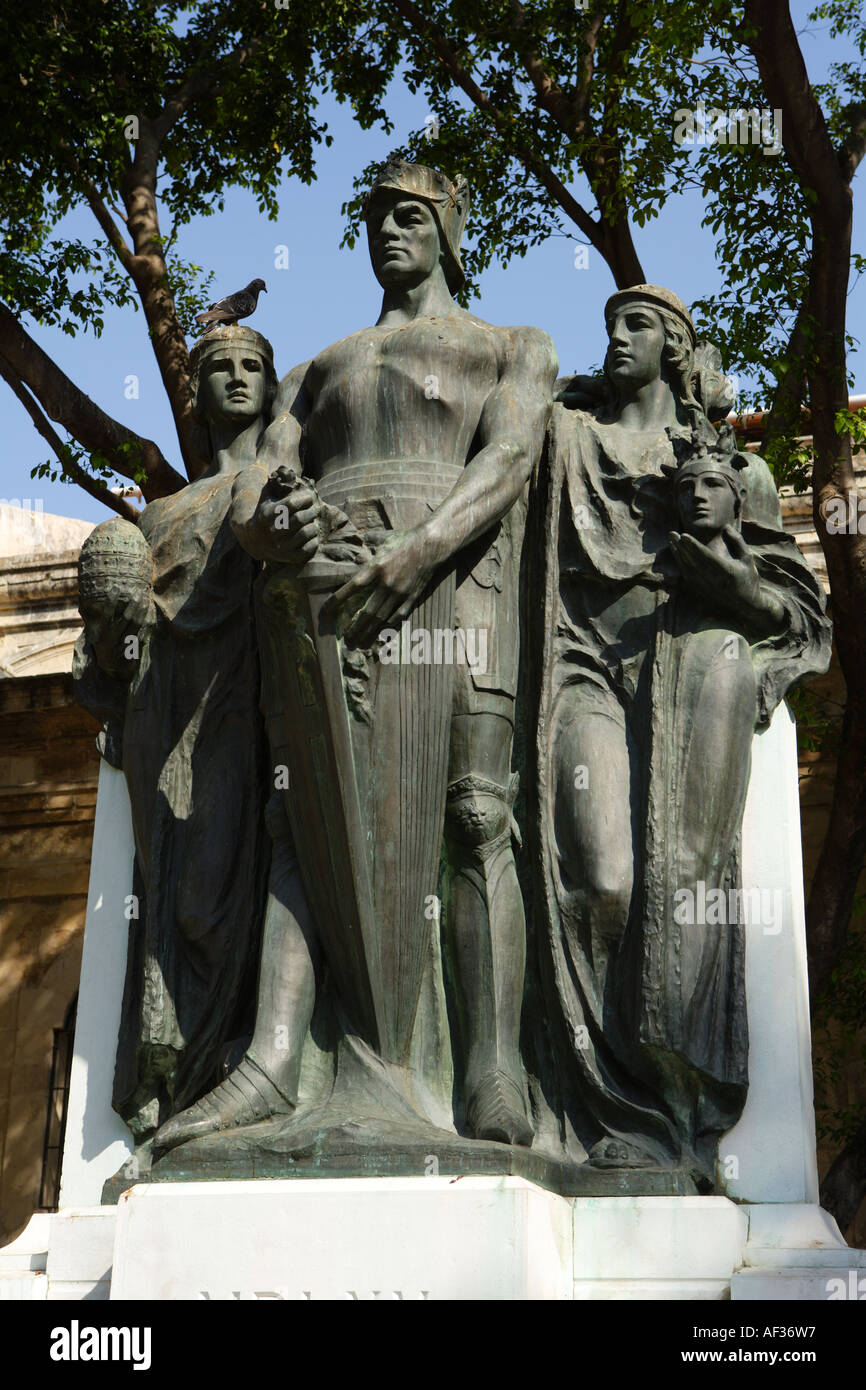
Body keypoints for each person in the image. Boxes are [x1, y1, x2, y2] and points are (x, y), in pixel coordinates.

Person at [156, 159, 558, 1154]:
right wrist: (275, 528)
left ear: (449, 231)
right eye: (376, 215)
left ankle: (492, 1074)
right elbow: (258, 489)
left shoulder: (510, 346)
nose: (390, 230)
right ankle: (270, 1059)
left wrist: (416, 554)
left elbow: (507, 460)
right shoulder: (316, 369)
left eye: (410, 215)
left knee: (474, 814)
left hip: (459, 583)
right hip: (330, 596)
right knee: (303, 817)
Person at [531, 285, 831, 1184]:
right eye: (611, 325)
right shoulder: (565, 438)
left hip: (686, 674)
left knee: (684, 880)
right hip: (580, 666)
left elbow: (793, 613)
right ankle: (586, 1098)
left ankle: (673, 1108)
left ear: (677, 345)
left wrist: (726, 586)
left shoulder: (731, 471)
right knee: (607, 879)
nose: (618, 338)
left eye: (639, 326)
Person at [75, 325, 277, 1154]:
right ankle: (177, 1078)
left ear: (271, 386)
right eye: (217, 368)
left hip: (245, 706)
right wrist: (118, 616)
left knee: (211, 895)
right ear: (193, 393)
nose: (235, 378)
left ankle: (244, 1058)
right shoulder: (159, 514)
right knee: (170, 900)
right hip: (165, 714)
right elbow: (115, 660)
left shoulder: (277, 486)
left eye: (252, 367)